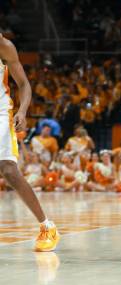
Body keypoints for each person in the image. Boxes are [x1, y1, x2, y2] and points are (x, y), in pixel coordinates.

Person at [0, 33, 59, 251]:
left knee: (8, 170)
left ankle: (47, 226)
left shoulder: (4, 45)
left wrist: (23, 111)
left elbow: (24, 84)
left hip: (1, 112)